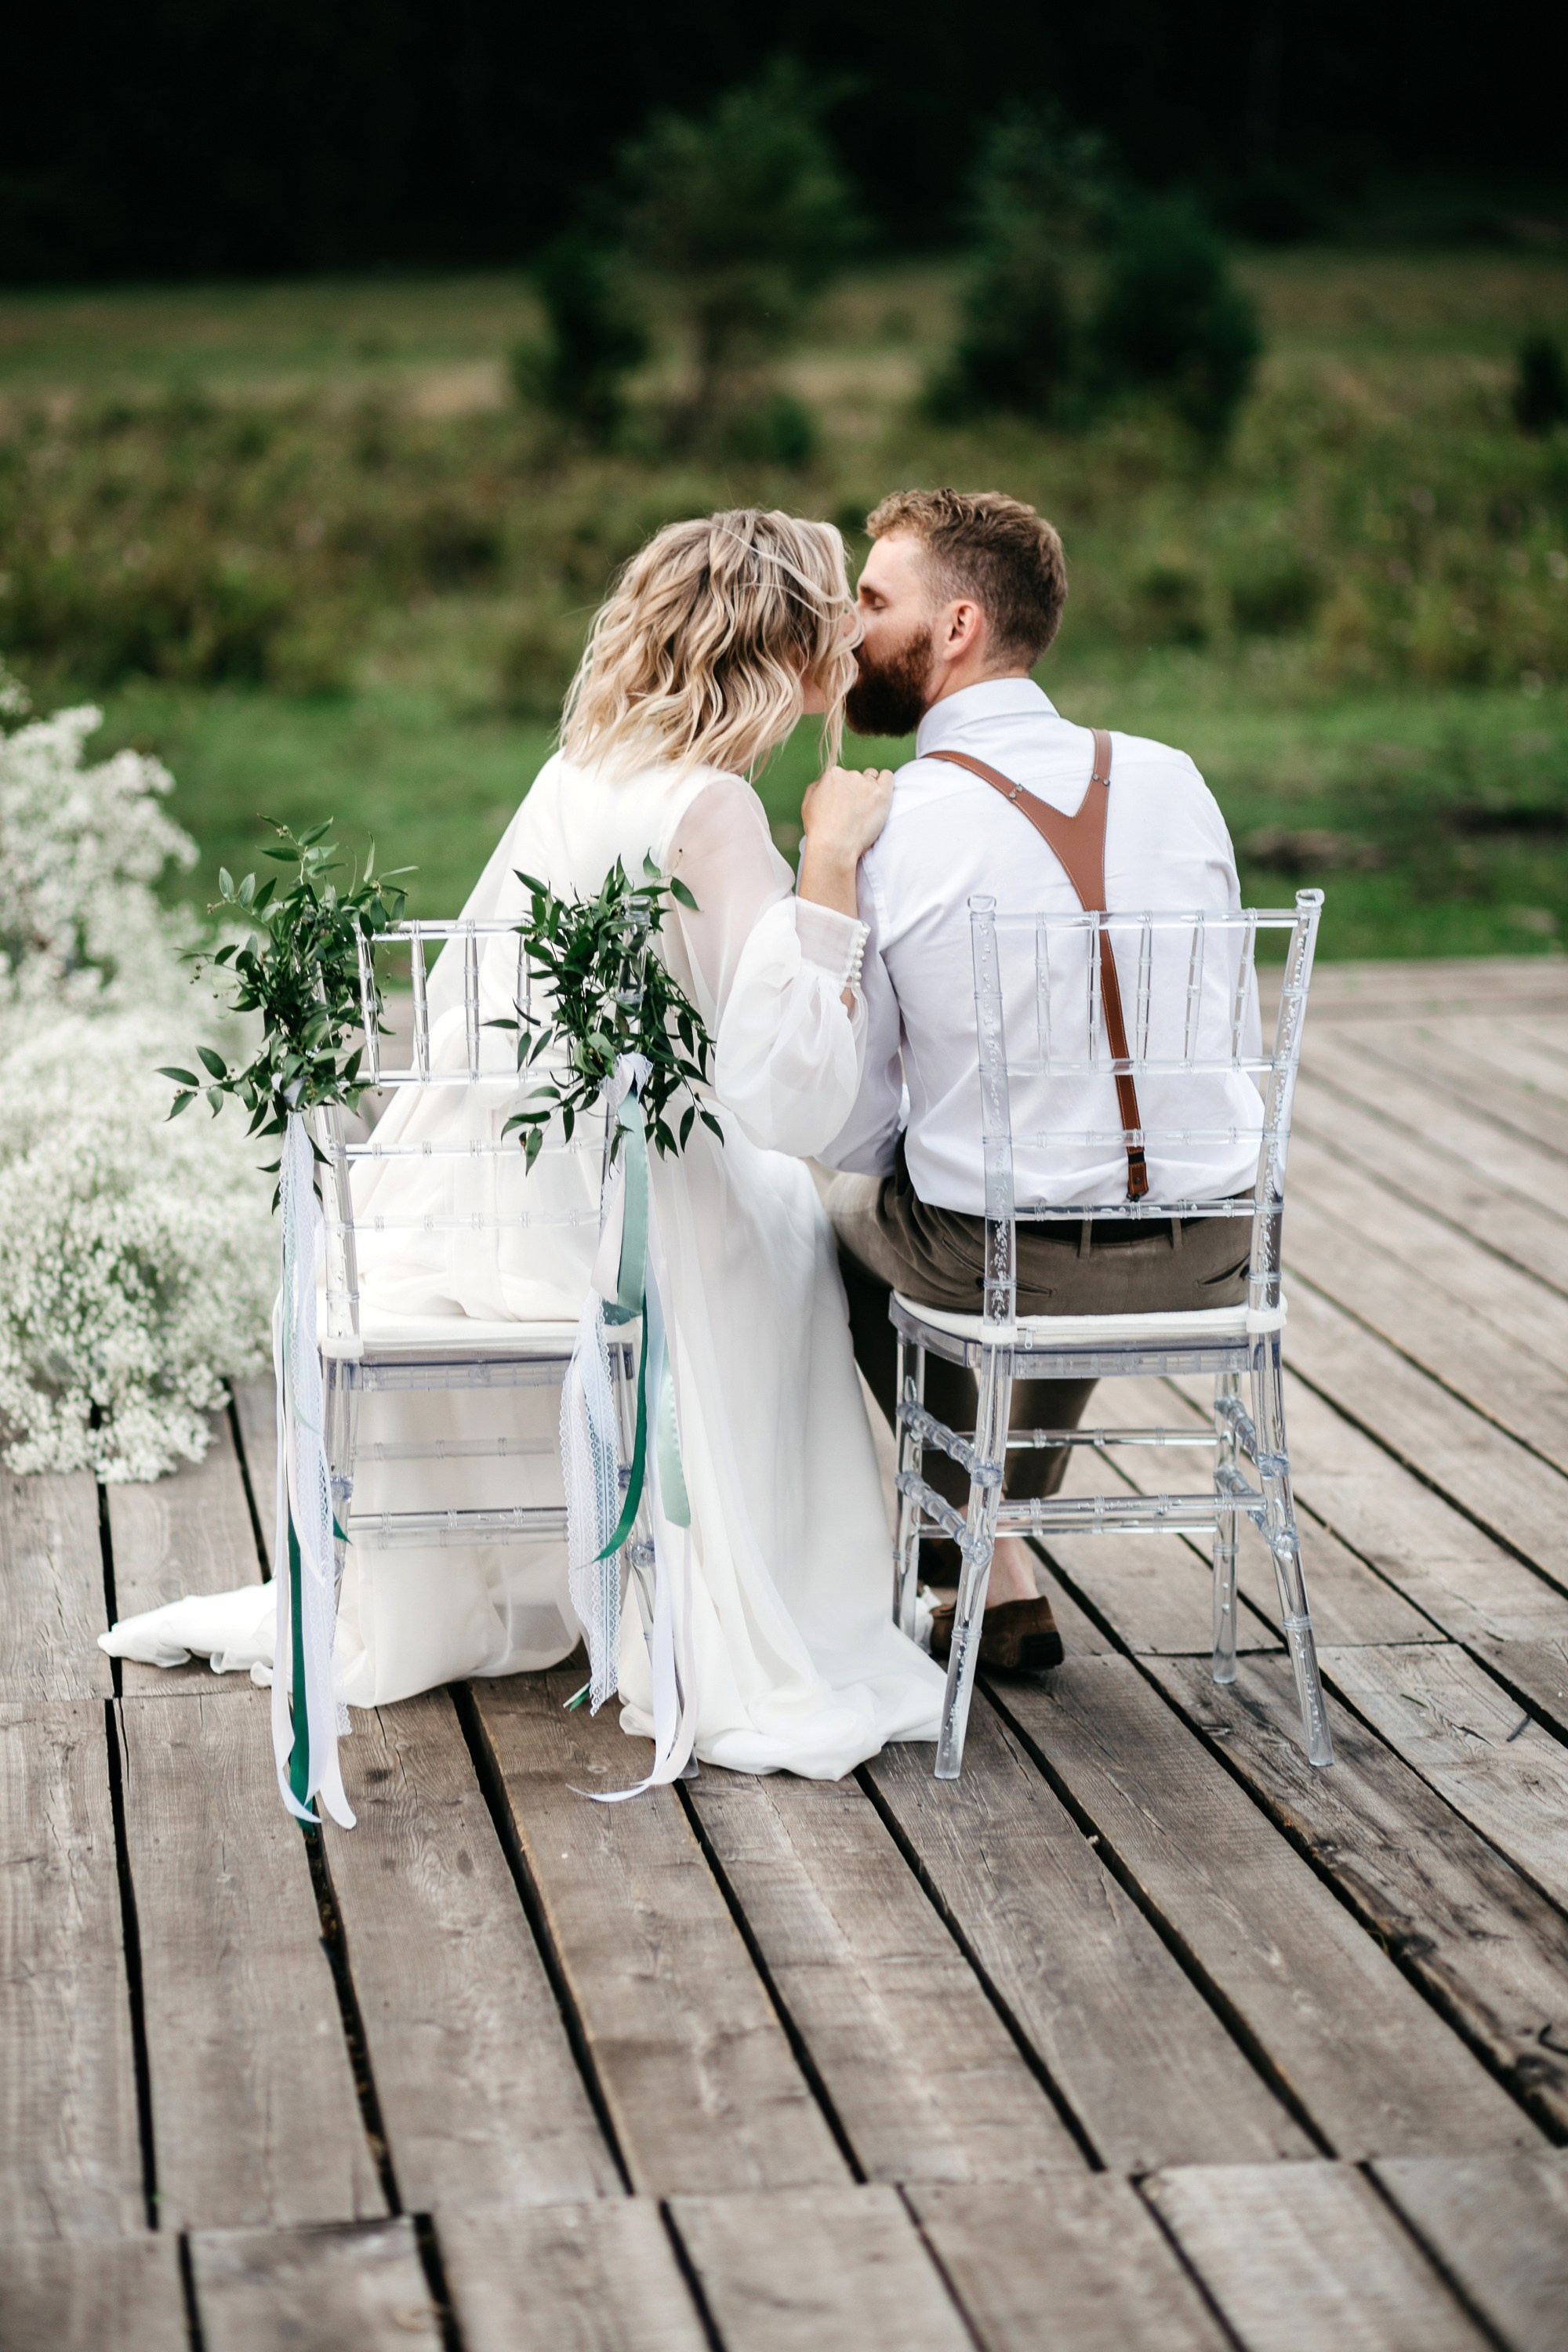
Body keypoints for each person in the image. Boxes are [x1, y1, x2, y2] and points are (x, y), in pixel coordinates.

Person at [105, 510, 944, 1782]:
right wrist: (829, 870)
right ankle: (761, 1600)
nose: (848, 634)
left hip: (515, 1185)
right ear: (783, 644)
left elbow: (467, 1000)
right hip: (631, 1197)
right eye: (834, 611)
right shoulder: (714, 807)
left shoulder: (583, 765)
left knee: (775, 1213)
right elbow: (778, 1081)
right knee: (795, 1236)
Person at [821, 488, 1262, 1675]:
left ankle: (974, 1542)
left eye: (871, 600)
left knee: (828, 1206)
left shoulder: (895, 825)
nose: (846, 628)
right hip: (1219, 1242)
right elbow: (1231, 1021)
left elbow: (858, 1128)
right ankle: (996, 1551)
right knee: (1039, 1195)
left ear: (955, 626)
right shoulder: (1177, 779)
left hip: (1003, 1258)